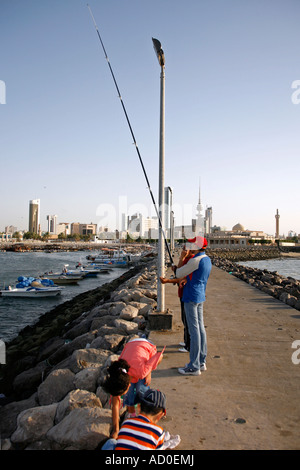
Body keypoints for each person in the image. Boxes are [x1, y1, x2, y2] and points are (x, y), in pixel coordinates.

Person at [102, 338, 164, 439]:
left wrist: (149, 370)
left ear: (128, 384)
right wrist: (116, 430)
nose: (122, 395)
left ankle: (143, 417)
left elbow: (160, 355)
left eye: (122, 393)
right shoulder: (117, 373)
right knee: (130, 395)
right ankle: (132, 414)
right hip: (131, 347)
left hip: (146, 344)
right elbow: (115, 405)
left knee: (142, 388)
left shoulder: (140, 371)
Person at [173, 236, 212, 376]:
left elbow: (178, 273)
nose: (190, 245)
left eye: (192, 243)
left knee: (194, 331)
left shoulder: (195, 261)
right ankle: (202, 361)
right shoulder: (207, 260)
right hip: (200, 295)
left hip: (190, 296)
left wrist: (183, 257)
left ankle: (194, 366)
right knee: (200, 329)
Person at [101, 388, 180, 450]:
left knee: (111, 442)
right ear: (161, 415)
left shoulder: (126, 423)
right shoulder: (158, 432)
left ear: (138, 408)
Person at [160, 245, 194, 353]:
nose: (183, 251)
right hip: (182, 293)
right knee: (184, 319)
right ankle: (186, 341)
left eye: (186, 249)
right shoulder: (185, 259)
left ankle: (189, 345)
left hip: (187, 293)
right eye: (183, 249)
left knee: (187, 320)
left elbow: (181, 278)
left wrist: (167, 281)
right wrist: (180, 260)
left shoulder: (191, 261)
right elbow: (178, 271)